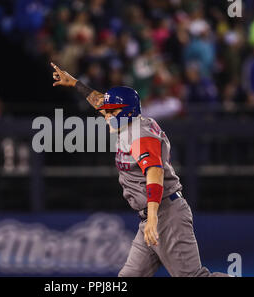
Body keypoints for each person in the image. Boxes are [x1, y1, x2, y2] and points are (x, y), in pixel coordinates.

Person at [51, 62, 228, 277]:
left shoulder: (139, 133)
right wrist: (75, 83)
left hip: (164, 213)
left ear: (127, 112)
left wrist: (153, 217)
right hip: (152, 216)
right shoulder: (129, 122)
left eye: (111, 111)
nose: (106, 114)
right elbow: (100, 101)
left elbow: (154, 172)